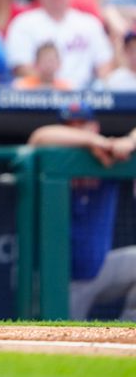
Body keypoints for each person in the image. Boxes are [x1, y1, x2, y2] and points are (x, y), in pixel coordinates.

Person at [28, 104, 136, 320]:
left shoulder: (108, 158)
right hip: (59, 278)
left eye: (82, 125)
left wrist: (128, 142)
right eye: (71, 127)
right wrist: (96, 141)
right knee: (59, 340)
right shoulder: (48, 153)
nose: (77, 130)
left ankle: (128, 331)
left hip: (99, 267)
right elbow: (39, 136)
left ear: (94, 126)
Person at [6, 0, 114, 89]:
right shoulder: (23, 23)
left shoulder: (89, 23)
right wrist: (56, 87)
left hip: (83, 95)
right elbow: (22, 68)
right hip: (40, 94)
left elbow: (104, 64)